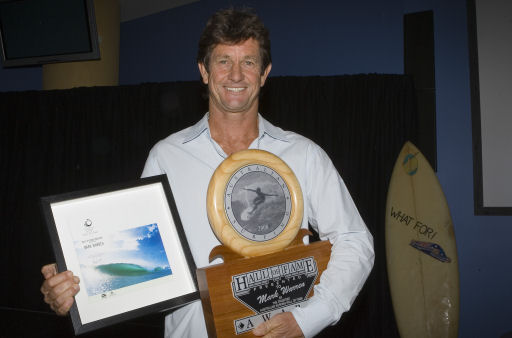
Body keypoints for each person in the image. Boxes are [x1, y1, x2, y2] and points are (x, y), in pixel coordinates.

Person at [40, 8, 374, 338]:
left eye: (248, 62)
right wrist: (77, 286)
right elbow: (139, 255)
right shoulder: (167, 156)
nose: (236, 75)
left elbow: (355, 241)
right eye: (223, 61)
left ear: (264, 73)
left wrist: (308, 318)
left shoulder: (303, 155)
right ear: (204, 71)